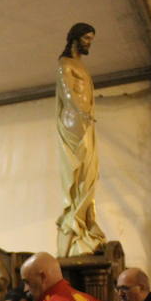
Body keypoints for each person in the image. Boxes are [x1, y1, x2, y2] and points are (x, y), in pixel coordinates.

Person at [56, 22, 106, 257]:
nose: (89, 43)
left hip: (86, 120)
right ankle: (74, 223)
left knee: (89, 171)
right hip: (74, 120)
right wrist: (80, 112)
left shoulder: (82, 65)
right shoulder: (65, 63)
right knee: (80, 168)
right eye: (86, 38)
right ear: (75, 38)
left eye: (91, 39)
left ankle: (84, 224)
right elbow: (67, 91)